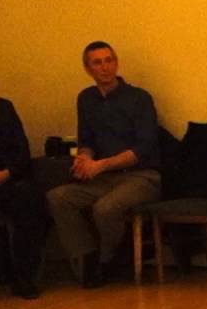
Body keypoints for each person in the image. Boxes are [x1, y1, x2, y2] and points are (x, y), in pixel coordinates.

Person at [47, 41, 161, 288]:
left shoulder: (139, 98)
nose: (105, 67)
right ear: (88, 69)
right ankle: (86, 255)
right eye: (97, 62)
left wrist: (101, 165)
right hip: (102, 176)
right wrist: (85, 158)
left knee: (106, 208)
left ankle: (108, 258)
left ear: (116, 62)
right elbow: (86, 140)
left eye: (109, 60)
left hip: (139, 175)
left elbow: (143, 148)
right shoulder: (86, 99)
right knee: (58, 197)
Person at [0, 92, 45, 299]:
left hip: (1, 178)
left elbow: (21, 150)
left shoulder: (3, 107)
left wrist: (7, 173)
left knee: (27, 196)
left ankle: (24, 277)